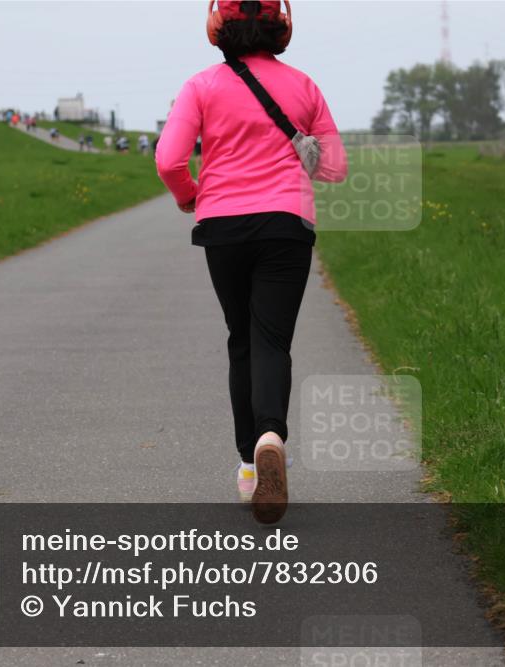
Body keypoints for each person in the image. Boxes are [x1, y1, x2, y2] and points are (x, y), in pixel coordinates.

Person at [155, 0, 346, 524]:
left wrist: (189, 195)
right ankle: (271, 436)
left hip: (222, 226)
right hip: (286, 225)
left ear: (218, 26)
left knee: (240, 338)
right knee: (271, 340)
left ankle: (248, 462)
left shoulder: (200, 86)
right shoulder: (304, 86)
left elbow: (168, 159)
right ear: (282, 26)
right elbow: (334, 168)